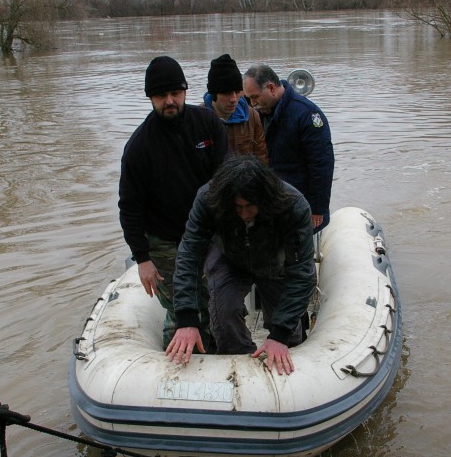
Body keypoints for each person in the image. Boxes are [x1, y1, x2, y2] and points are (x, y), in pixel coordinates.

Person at [165, 155, 317, 376]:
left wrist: (280, 334)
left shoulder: (293, 205)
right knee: (223, 315)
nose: (244, 214)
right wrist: (186, 317)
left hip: (275, 262)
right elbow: (189, 254)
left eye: (250, 206)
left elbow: (302, 271)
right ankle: (238, 363)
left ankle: (287, 361)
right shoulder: (208, 199)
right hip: (229, 256)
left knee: (288, 330)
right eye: (238, 207)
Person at [118, 56, 228, 349]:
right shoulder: (139, 147)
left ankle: (216, 354)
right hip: (165, 242)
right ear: (150, 98)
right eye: (160, 95)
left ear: (185, 92)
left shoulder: (208, 124)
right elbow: (129, 207)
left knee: (216, 300)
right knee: (183, 309)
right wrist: (142, 258)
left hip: (209, 232)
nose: (169, 101)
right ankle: (174, 368)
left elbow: (226, 177)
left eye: (175, 93)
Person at [242, 64, 335, 232]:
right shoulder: (258, 113)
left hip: (299, 202)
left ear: (271, 88)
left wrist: (317, 208)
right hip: (270, 202)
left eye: (255, 97)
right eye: (249, 99)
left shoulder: (306, 114)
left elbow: (321, 165)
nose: (253, 103)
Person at [203, 54, 268, 164]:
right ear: (214, 94)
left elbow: (262, 158)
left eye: (237, 92)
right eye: (227, 93)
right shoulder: (198, 120)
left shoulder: (252, 116)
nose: (233, 99)